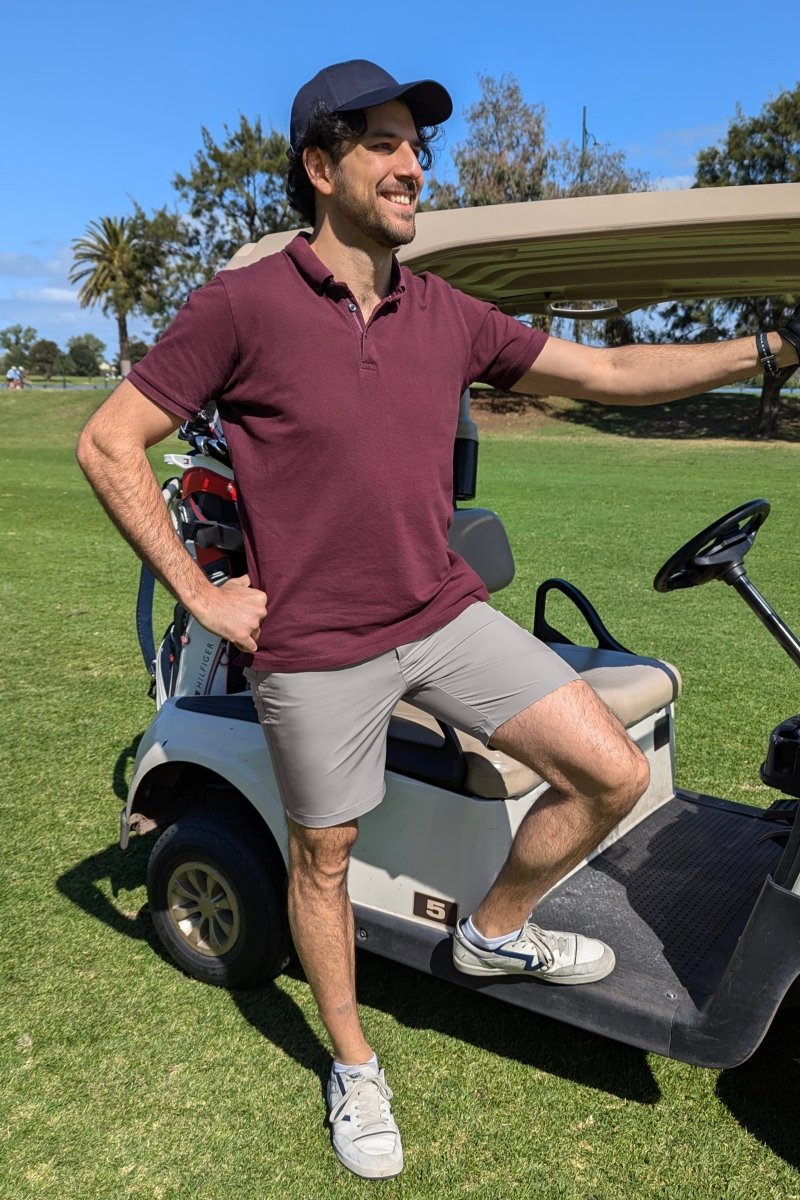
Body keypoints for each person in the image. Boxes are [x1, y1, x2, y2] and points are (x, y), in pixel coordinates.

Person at [76, 59, 800, 1181]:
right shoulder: (243, 306)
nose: (415, 164)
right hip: (314, 649)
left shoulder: (444, 313)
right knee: (322, 862)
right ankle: (355, 1063)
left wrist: (771, 350)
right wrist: (200, 592)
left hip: (442, 616)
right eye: (384, 143)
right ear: (320, 168)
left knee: (604, 772)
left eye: (419, 145)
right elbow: (108, 441)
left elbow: (606, 369)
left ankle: (492, 927)